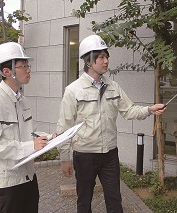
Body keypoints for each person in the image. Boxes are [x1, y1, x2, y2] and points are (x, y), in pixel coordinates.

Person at [57, 35, 166, 213]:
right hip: (85, 155)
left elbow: (129, 110)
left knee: (115, 201)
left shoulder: (113, 87)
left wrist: (149, 110)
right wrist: (64, 158)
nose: (106, 61)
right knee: (84, 202)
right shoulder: (73, 91)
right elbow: (64, 127)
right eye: (101, 57)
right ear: (88, 61)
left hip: (109, 154)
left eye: (107, 57)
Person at [0, 42, 49, 213]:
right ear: (7, 72)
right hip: (7, 182)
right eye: (23, 66)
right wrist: (31, 146)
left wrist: (49, 138)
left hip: (28, 177)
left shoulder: (22, 100)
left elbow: (30, 133)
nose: (28, 69)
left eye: (28, 65)